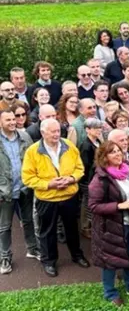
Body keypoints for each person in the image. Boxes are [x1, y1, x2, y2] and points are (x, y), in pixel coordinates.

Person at [21, 118, 89, 277]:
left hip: (69, 196)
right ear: (43, 133)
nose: (57, 134)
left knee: (72, 228)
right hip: (47, 198)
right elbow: (27, 178)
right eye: (53, 131)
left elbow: (79, 168)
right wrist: (48, 184)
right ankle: (49, 261)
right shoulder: (33, 151)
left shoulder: (69, 145)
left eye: (58, 130)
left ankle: (77, 255)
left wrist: (72, 178)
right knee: (47, 232)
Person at [88, 141, 129, 306]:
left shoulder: (128, 171)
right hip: (111, 226)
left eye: (119, 151)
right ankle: (110, 292)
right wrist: (118, 206)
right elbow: (93, 206)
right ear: (104, 157)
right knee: (110, 260)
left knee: (128, 255)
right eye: (112, 152)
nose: (118, 154)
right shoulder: (100, 179)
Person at [0, 109, 37, 275]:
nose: (12, 122)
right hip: (4, 191)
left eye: (13, 119)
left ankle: (33, 249)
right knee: (4, 227)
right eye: (8, 120)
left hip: (25, 188)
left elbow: (33, 160)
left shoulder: (25, 137)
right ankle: (5, 257)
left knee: (29, 220)